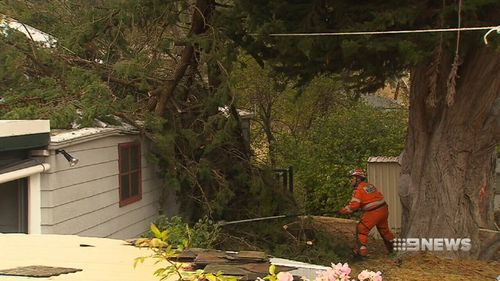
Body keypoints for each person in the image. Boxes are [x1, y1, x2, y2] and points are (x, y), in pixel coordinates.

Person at [338, 168, 394, 259]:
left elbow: (354, 206)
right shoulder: (369, 186)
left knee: (361, 230)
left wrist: (343, 211)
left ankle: (361, 254)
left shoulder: (358, 190)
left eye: (353, 178)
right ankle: (394, 250)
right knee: (384, 230)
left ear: (358, 179)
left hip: (373, 212)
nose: (351, 180)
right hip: (383, 209)